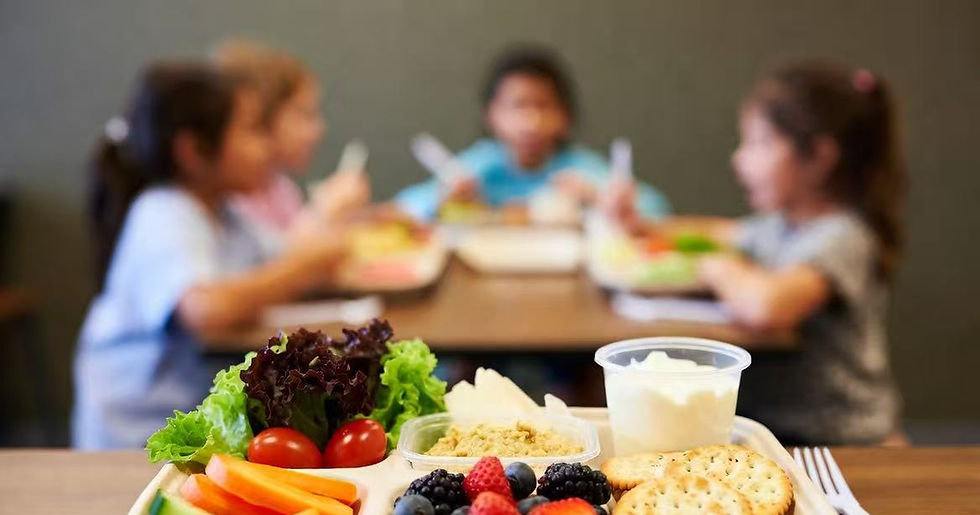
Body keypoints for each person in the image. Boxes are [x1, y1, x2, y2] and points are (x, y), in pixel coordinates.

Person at [73, 63, 349, 450]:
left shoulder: (224, 211)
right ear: (192, 150)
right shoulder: (163, 212)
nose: (267, 147)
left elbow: (285, 253)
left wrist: (319, 251)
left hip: (198, 425)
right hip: (139, 443)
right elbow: (206, 309)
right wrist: (303, 267)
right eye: (252, 131)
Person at [631, 61, 906, 445]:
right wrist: (640, 224)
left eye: (759, 143)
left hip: (843, 440)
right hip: (780, 428)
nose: (739, 159)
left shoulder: (844, 237)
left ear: (819, 157)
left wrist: (717, 268)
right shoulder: (780, 225)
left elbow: (768, 306)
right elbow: (714, 232)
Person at [394, 46, 670, 222]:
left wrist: (602, 198)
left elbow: (657, 209)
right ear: (491, 115)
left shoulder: (581, 168)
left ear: (565, 115)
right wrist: (443, 197)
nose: (531, 122)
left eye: (544, 106)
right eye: (517, 106)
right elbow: (405, 207)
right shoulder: (479, 166)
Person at [213, 40, 370, 239]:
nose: (319, 130)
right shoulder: (231, 199)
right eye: (305, 115)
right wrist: (323, 211)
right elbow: (277, 257)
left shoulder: (281, 189)